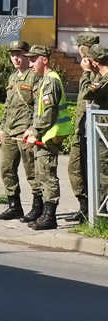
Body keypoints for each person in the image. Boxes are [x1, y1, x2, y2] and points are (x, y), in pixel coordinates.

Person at [23, 45, 74, 230]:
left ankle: (50, 217)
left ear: (44, 59)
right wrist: (31, 129)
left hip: (51, 134)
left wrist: (35, 132)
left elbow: (49, 113)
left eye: (33, 59)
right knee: (42, 174)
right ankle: (45, 213)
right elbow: (40, 112)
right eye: (29, 59)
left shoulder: (51, 81)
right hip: (46, 133)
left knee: (47, 175)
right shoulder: (45, 80)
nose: (30, 63)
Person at [0, 40, 40, 221]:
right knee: (6, 168)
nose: (16, 58)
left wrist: (34, 129)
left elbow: (38, 107)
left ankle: (38, 206)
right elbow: (7, 105)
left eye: (19, 54)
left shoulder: (34, 77)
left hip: (25, 131)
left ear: (27, 56)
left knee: (32, 171)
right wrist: (2, 128)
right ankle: (14, 206)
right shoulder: (12, 78)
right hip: (10, 131)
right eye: (13, 54)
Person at [66, 32, 100, 223]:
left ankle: (95, 211)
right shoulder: (87, 69)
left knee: (94, 171)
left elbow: (89, 93)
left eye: (80, 47)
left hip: (94, 131)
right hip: (81, 128)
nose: (79, 51)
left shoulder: (97, 71)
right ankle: (84, 207)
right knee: (75, 167)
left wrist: (87, 72)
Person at [82, 43, 108, 215]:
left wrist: (86, 72)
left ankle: (102, 212)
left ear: (95, 62)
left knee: (104, 171)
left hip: (104, 132)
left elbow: (86, 92)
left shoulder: (104, 79)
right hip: (101, 131)